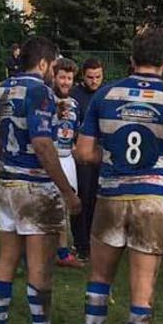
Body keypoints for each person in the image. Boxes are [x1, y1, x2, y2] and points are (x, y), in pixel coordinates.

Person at [74, 28, 163, 324]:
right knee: (142, 288)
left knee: (99, 280)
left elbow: (83, 151)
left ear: (131, 59)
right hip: (152, 200)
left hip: (110, 195)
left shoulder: (106, 94)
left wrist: (109, 157)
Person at [0, 37, 82, 324]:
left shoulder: (2, 89)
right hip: (33, 186)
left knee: (7, 259)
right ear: (44, 63)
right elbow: (42, 144)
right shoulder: (40, 90)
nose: (55, 73)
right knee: (40, 268)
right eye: (54, 67)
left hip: (7, 181)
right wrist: (67, 192)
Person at [69, 58, 105, 262]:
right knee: (81, 197)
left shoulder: (105, 94)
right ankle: (80, 243)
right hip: (80, 154)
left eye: (98, 77)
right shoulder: (75, 95)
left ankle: (94, 241)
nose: (94, 81)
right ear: (83, 76)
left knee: (98, 199)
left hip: (100, 153)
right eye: (90, 77)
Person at [52, 57, 84, 268]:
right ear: (54, 77)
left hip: (67, 158)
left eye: (69, 78)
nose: (65, 82)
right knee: (48, 205)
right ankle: (44, 249)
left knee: (65, 204)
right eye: (62, 77)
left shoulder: (74, 104)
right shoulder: (44, 99)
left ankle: (63, 252)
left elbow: (77, 131)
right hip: (49, 159)